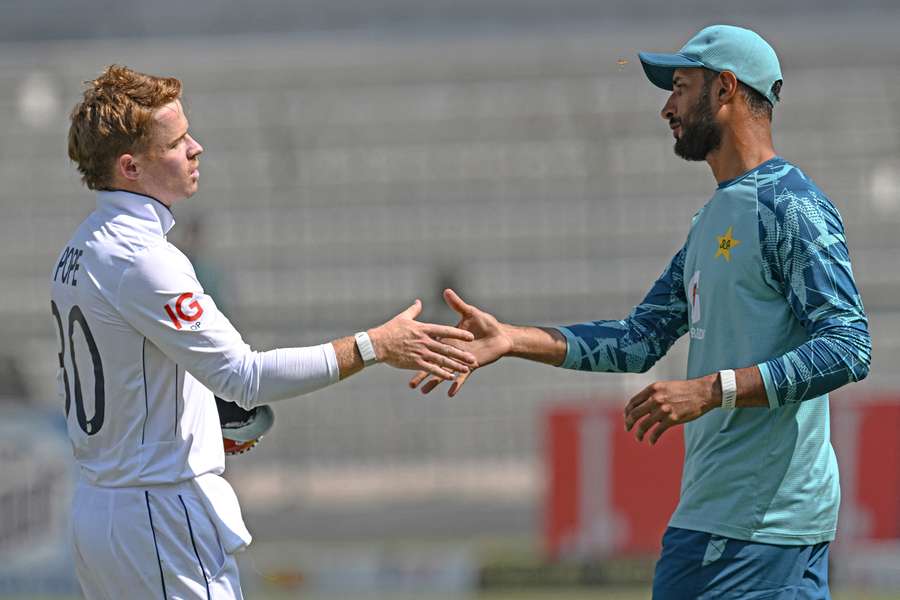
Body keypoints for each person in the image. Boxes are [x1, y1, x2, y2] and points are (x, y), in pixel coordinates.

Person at [411, 25, 871, 598]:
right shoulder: (714, 219)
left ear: (725, 88)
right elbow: (638, 339)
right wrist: (509, 339)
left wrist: (712, 390)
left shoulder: (791, 206)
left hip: (746, 527)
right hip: (742, 522)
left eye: (679, 87)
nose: (666, 108)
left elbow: (849, 345)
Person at [52, 64, 477, 599]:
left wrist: (197, 424)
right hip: (156, 513)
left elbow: (128, 376)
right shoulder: (144, 258)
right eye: (177, 141)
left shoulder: (80, 246)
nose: (195, 147)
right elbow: (245, 377)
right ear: (131, 166)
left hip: (101, 507)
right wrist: (375, 346)